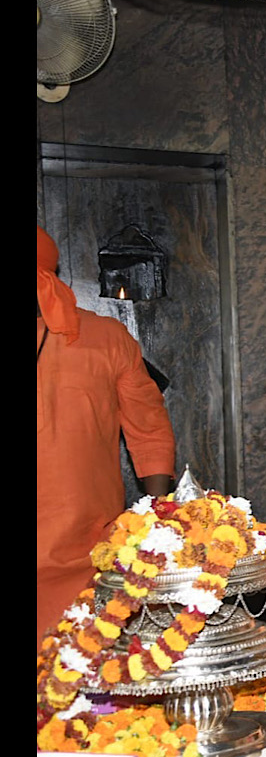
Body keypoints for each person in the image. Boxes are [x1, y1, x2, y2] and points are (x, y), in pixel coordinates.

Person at [36, 225, 176, 645]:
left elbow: (149, 431)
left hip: (84, 548)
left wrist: (158, 516)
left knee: (79, 677)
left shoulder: (106, 338)